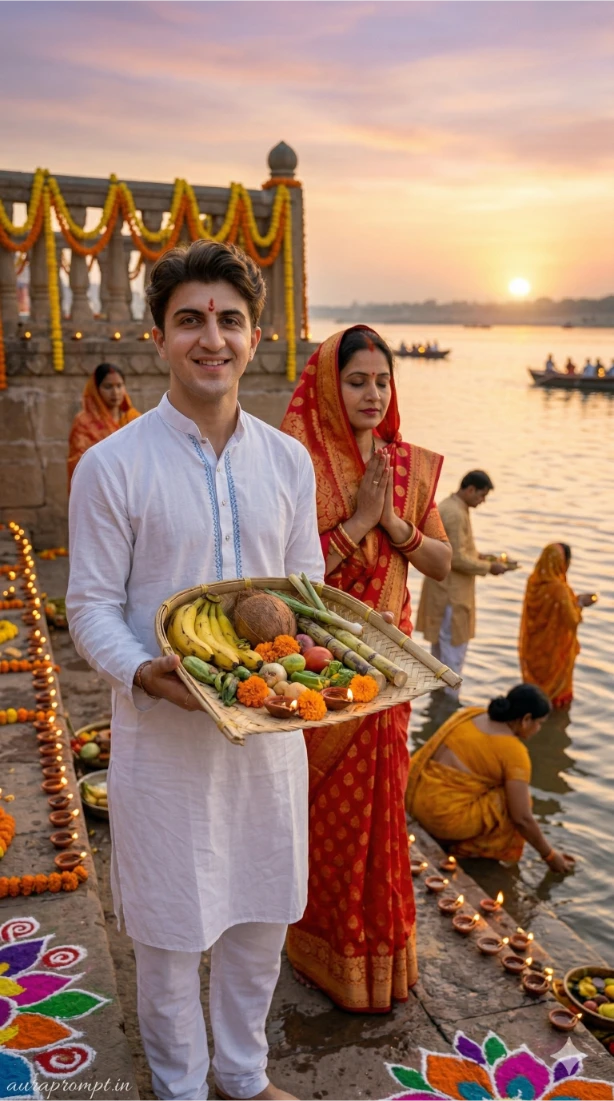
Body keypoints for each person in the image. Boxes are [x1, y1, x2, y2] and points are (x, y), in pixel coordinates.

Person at [67, 240, 325, 1101]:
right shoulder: (114, 465)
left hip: (270, 735)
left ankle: (244, 1078)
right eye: (190, 321)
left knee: (260, 918)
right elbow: (92, 605)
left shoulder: (288, 460)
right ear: (157, 336)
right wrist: (146, 674)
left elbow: (308, 589)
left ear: (256, 337)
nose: (210, 338)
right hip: (164, 740)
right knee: (172, 932)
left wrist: (311, 669)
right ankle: (181, 1088)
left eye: (229, 320)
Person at [280, 325, 451, 1013]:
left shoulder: (408, 465)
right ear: (329, 384)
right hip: (321, 672)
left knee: (382, 815)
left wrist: (394, 526)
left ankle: (381, 955)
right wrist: (356, 521)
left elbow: (441, 562)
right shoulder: (300, 464)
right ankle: (320, 949)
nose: (374, 392)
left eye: (383, 380)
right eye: (358, 380)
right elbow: (286, 580)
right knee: (325, 819)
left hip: (391, 675)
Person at [406, 685, 575, 872]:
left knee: (504, 786)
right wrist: (550, 856)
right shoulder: (514, 752)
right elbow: (522, 818)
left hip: (414, 799)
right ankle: (468, 850)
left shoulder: (470, 714)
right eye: (539, 723)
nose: (538, 730)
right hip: (442, 820)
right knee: (515, 800)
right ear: (526, 719)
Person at [416, 471, 507, 689]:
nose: (482, 501)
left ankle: (439, 704)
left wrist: (482, 557)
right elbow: (455, 558)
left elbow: (458, 550)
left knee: (440, 657)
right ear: (470, 490)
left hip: (443, 590)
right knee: (452, 656)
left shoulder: (452, 506)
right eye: (481, 495)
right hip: (451, 595)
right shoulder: (455, 513)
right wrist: (488, 567)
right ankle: (448, 706)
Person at [519, 543, 595, 709]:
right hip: (553, 654)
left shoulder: (533, 582)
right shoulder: (559, 589)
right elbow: (572, 620)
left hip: (533, 649)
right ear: (563, 563)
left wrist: (574, 600)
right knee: (556, 703)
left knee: (533, 696)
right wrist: (580, 603)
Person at [67, 362, 140, 489]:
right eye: (108, 387)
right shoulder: (84, 422)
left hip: (133, 488)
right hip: (100, 488)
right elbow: (79, 464)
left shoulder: (134, 419)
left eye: (119, 386)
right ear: (96, 390)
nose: (115, 392)